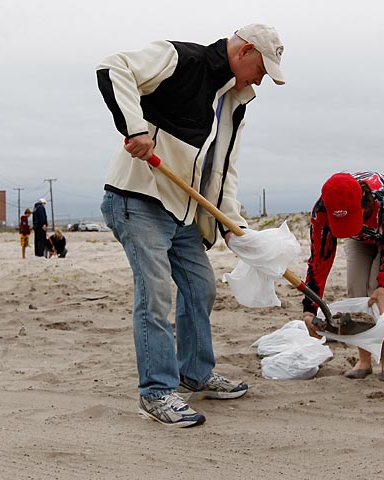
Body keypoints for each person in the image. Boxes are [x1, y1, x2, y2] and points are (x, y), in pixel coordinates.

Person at [97, 24, 286, 427]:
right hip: (138, 198)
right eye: (261, 69)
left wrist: (234, 225)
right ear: (245, 50)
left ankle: (195, 374)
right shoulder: (183, 59)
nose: (260, 79)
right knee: (156, 294)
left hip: (181, 212)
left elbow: (223, 169)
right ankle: (156, 392)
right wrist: (134, 128)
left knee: (200, 287)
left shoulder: (234, 102)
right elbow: (114, 68)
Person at [302, 171, 384, 383]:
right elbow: (319, 261)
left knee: (378, 292)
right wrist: (309, 309)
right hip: (362, 236)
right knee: (356, 289)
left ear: (364, 202)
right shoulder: (322, 210)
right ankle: (364, 361)